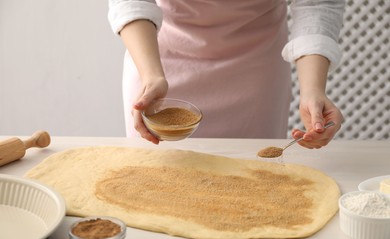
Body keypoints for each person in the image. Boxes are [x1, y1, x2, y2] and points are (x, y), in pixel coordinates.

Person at [108, 0, 345, 148]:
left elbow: (316, 4)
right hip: (157, 63)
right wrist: (151, 77)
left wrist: (313, 89)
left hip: (255, 71)